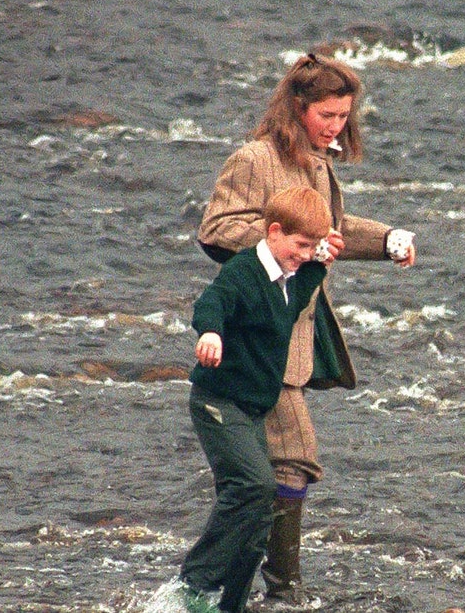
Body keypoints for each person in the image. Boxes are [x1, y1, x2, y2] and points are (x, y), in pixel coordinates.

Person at [197, 51, 416, 607]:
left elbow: (329, 230)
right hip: (256, 333)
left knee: (272, 471)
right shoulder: (254, 159)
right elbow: (218, 230)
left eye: (344, 116)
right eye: (327, 115)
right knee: (289, 458)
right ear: (298, 107)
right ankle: (278, 589)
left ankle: (249, 587)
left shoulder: (318, 163)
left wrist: (386, 240)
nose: (336, 127)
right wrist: (285, 241)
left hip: (295, 330)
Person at [180, 186, 334, 613]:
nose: (304, 253)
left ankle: (230, 604)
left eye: (312, 246)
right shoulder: (244, 271)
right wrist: (210, 332)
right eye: (301, 245)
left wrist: (319, 263)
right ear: (274, 231)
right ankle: (193, 584)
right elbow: (212, 302)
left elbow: (299, 295)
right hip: (218, 402)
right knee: (254, 486)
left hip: (251, 410)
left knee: (260, 511)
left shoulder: (286, 280)